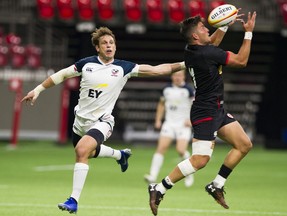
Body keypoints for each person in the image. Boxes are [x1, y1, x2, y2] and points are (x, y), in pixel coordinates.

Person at [21, 27, 185, 214]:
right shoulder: (86, 64)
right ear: (97, 48)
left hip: (103, 121)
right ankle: (120, 155)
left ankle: (73, 200)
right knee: (88, 152)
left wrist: (185, 63)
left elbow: (157, 70)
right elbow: (61, 75)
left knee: (82, 150)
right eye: (105, 43)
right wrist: (38, 90)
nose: (109, 46)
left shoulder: (124, 68)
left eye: (112, 43)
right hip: (80, 122)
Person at [148, 11, 257, 216]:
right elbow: (241, 61)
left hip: (216, 108)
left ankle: (216, 184)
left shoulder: (191, 49)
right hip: (205, 111)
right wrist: (248, 33)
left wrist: (224, 25)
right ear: (196, 36)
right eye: (203, 28)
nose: (208, 29)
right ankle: (159, 188)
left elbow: (211, 43)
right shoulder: (207, 54)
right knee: (200, 160)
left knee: (244, 145)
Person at [144, 70, 195, 188]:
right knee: (161, 148)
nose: (177, 77)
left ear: (183, 76)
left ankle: (189, 174)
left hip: (183, 124)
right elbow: (161, 105)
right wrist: (158, 120)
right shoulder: (166, 89)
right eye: (175, 75)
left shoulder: (189, 90)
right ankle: (152, 175)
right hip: (169, 124)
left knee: (181, 150)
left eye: (180, 75)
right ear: (172, 76)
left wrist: (191, 120)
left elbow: (196, 106)